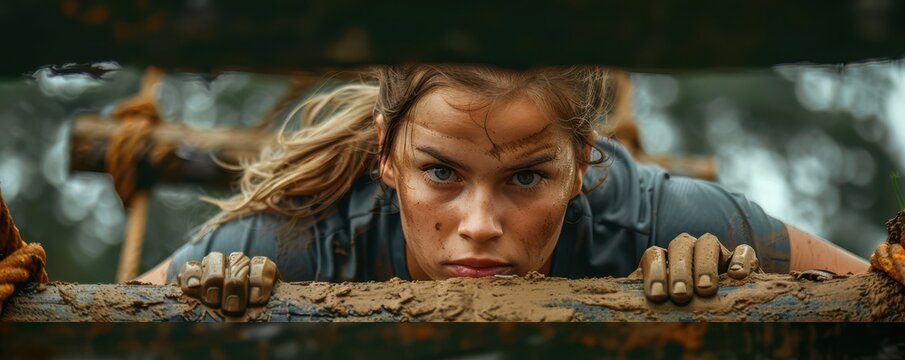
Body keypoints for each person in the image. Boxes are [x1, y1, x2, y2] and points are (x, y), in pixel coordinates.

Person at [136, 64, 868, 314]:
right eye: (441, 172)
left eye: (525, 177)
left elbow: (881, 292)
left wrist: (740, 302)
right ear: (386, 157)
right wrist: (203, 319)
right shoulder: (297, 243)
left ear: (582, 164)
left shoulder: (661, 224)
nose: (479, 224)